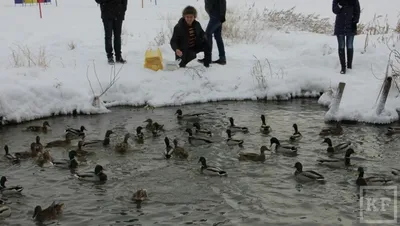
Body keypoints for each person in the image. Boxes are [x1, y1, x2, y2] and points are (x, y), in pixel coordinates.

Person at [95, 0, 128, 65]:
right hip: (107, 14)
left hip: (118, 13)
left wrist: (123, 9)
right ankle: (110, 56)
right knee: (108, 36)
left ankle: (118, 56)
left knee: (117, 36)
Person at [332, 0, 360, 74]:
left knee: (349, 46)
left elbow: (357, 11)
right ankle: (343, 67)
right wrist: (340, 5)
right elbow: (334, 10)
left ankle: (349, 66)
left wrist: (355, 21)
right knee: (341, 46)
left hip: (351, 26)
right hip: (340, 26)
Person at [198, 0, 227, 65]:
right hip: (214, 15)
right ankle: (222, 58)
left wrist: (222, 14)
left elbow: (222, 2)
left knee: (208, 34)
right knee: (218, 36)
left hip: (216, 15)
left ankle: (208, 58)